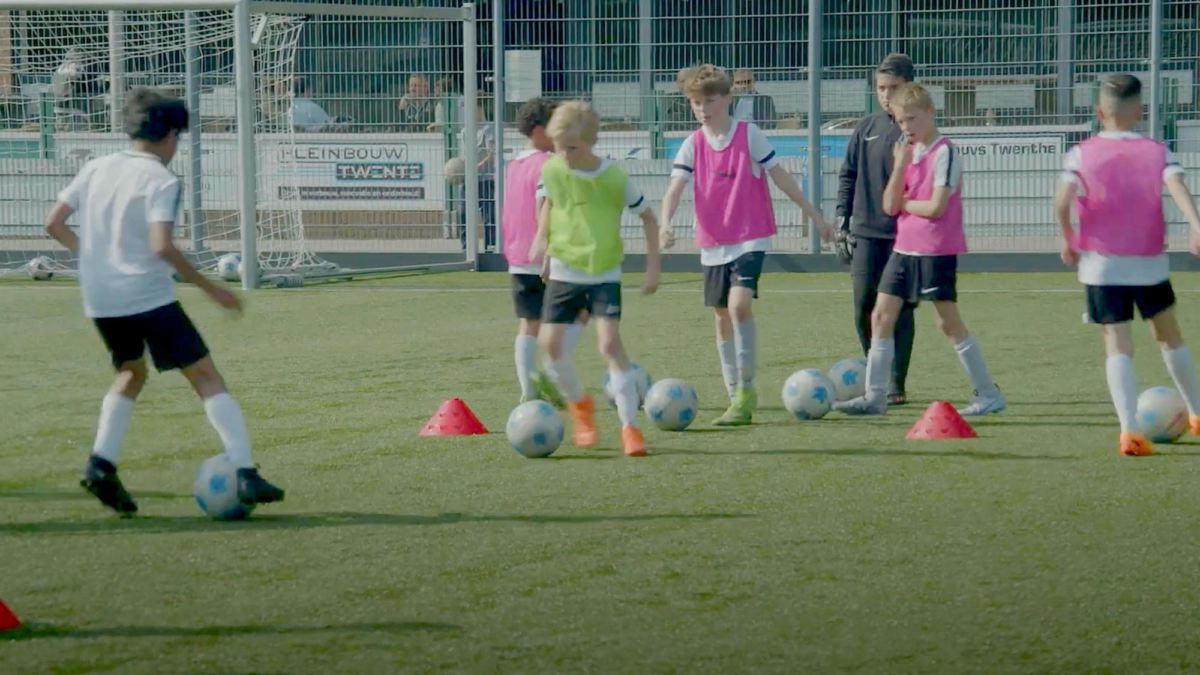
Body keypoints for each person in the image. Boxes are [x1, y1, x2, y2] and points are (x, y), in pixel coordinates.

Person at [42, 88, 284, 516]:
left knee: (130, 373)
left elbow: (54, 223)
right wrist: (212, 288)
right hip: (145, 295)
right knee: (205, 377)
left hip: (99, 296)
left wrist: (94, 257)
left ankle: (100, 464)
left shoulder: (96, 167)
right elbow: (161, 246)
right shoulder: (161, 179)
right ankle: (246, 471)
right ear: (171, 136)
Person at [660, 64, 832, 426]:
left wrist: (814, 216)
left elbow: (780, 176)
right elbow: (674, 189)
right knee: (721, 317)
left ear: (726, 98)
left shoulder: (748, 134)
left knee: (738, 305)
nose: (703, 109)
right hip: (712, 240)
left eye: (709, 100)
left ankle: (747, 388)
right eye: (696, 102)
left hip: (750, 235)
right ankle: (735, 391)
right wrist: (665, 223)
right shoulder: (692, 144)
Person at [834, 83, 1005, 417]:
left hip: (935, 250)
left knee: (947, 323)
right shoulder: (907, 152)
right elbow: (887, 205)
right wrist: (899, 167)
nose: (906, 127)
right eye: (900, 121)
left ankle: (987, 392)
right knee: (881, 315)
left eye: (912, 119)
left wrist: (905, 204)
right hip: (905, 247)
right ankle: (875, 395)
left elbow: (937, 207)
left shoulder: (945, 152)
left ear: (930, 112)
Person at [1054, 73, 1200, 456]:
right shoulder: (1157, 150)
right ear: (1139, 110)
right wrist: (1196, 226)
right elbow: (1178, 188)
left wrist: (1067, 236)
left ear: (1099, 112)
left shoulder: (1081, 152)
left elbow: (1060, 201)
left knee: (1116, 343)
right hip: (1148, 259)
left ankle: (1129, 431)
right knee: (1168, 334)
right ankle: (1198, 414)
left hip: (1102, 264)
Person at [529, 101, 661, 457]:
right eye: (558, 147)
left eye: (572, 147)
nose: (564, 155)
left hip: (603, 272)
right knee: (550, 347)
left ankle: (629, 427)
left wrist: (652, 268)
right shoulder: (553, 170)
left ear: (590, 143)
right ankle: (579, 405)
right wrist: (543, 241)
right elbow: (551, 206)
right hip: (564, 271)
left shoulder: (615, 179)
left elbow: (649, 219)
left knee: (608, 345)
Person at [835, 53, 918, 405]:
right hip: (866, 232)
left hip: (904, 234)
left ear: (910, 88)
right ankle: (875, 376)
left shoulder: (916, 130)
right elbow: (848, 175)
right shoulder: (866, 128)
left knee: (901, 311)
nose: (886, 95)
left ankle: (896, 383)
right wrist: (842, 222)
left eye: (893, 87)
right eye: (881, 88)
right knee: (863, 308)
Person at [501, 97, 587, 407]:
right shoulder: (550, 164)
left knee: (529, 322)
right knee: (583, 309)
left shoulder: (513, 165)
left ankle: (528, 389)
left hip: (519, 257)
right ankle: (549, 374)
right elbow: (547, 209)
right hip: (549, 256)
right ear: (539, 130)